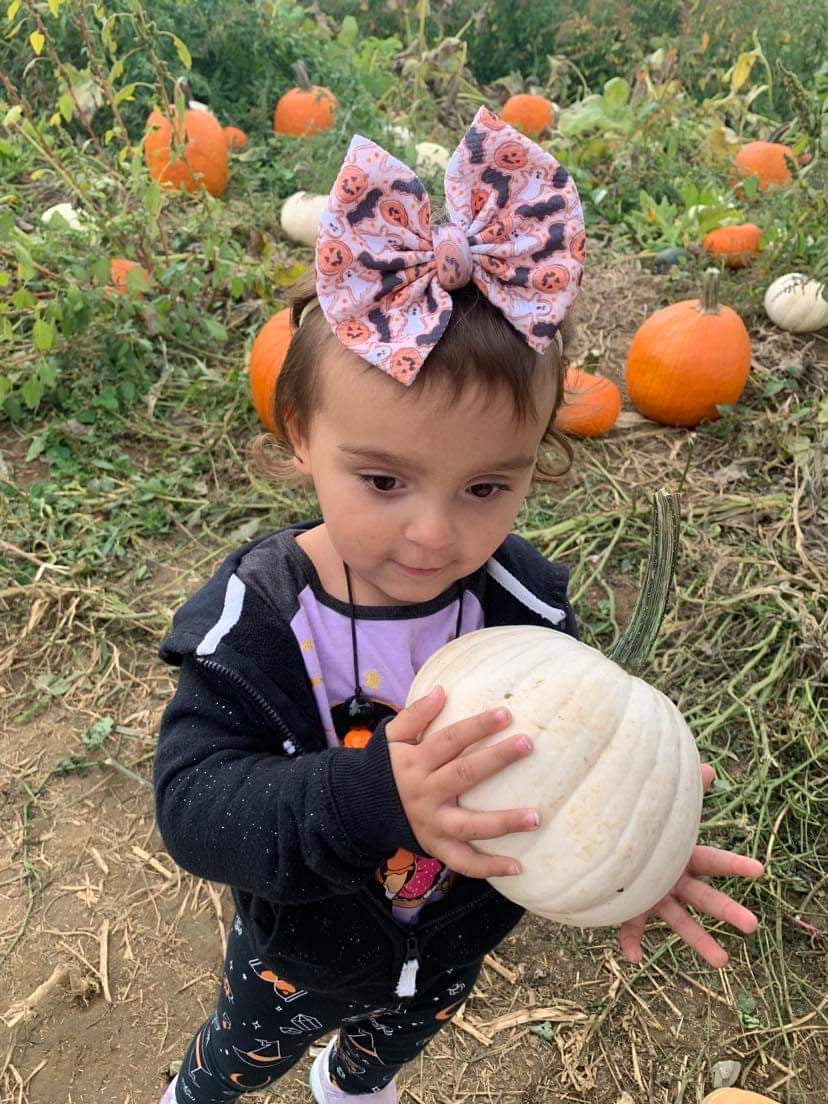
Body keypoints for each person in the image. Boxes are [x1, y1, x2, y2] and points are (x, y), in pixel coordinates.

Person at [154, 107, 763, 1104]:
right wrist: (378, 798)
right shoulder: (258, 617)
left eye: (486, 488)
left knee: (395, 1040)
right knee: (239, 1054)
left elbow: (572, 758)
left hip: (448, 947)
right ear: (299, 434)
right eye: (384, 482)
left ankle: (353, 1085)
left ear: (536, 466)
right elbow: (194, 809)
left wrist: (637, 833)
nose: (435, 536)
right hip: (297, 950)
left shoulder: (522, 603)